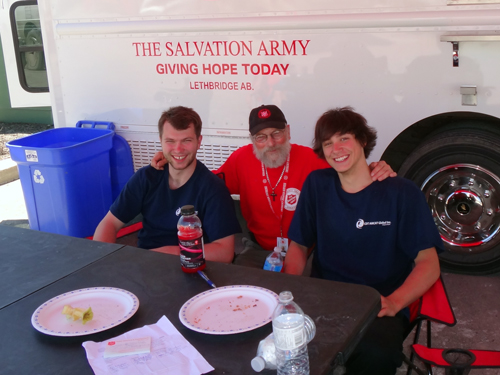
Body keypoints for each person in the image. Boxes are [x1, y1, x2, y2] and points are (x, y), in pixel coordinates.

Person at [284, 107, 443, 375]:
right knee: (287, 348)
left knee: (375, 357)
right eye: (328, 144)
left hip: (378, 305)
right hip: (324, 297)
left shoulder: (402, 193)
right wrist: (288, 294)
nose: (337, 149)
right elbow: (299, 245)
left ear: (362, 140)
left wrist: (394, 302)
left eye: (344, 138)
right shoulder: (317, 185)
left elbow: (428, 263)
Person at [151, 104, 395, 268]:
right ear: (252, 140)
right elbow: (202, 183)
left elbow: (349, 168)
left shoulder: (312, 159)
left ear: (288, 132)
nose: (270, 143)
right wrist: (173, 162)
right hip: (257, 249)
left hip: (307, 251)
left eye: (277, 133)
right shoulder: (241, 159)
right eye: (261, 137)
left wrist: (374, 167)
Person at [93, 106, 240, 263]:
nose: (178, 149)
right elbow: (109, 223)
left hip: (194, 268)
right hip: (146, 266)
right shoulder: (145, 177)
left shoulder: (213, 188)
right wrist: (103, 260)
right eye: (170, 141)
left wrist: (171, 253)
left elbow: (224, 252)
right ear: (161, 141)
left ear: (199, 141)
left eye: (186, 140)